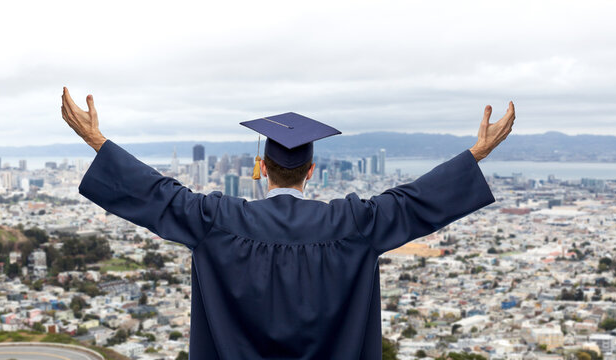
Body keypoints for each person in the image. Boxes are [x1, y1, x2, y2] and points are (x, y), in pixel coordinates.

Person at [60, 87, 514, 359]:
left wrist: (95, 139)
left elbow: (158, 195)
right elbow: (414, 202)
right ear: (311, 171)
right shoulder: (354, 223)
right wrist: (477, 153)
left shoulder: (216, 219)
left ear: (262, 166)